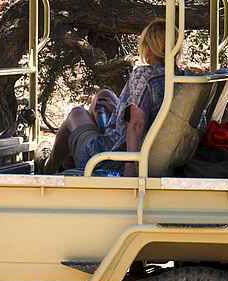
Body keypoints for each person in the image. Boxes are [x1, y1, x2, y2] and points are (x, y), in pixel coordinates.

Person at [41, 21, 173, 176]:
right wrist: (118, 112)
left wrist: (130, 170)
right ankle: (68, 161)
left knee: (76, 113)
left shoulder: (145, 75)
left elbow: (137, 124)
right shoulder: (179, 78)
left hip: (110, 157)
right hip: (127, 143)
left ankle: (47, 169)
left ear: (149, 48)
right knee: (104, 95)